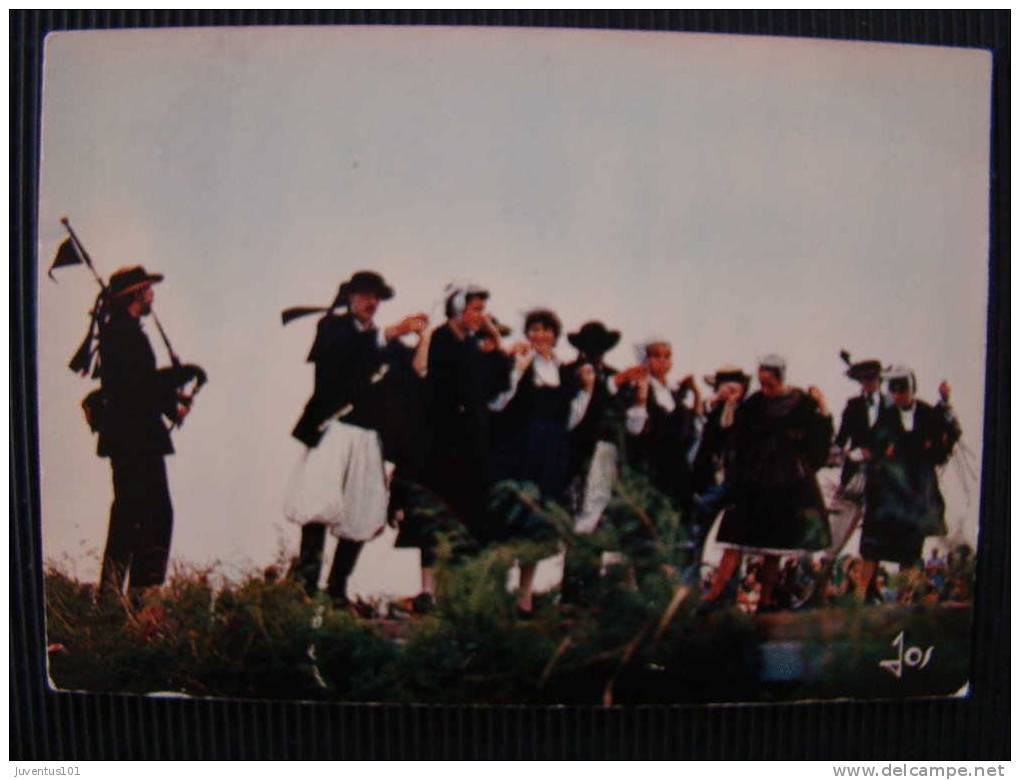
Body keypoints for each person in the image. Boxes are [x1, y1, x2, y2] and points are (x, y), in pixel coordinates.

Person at [288, 270, 427, 606]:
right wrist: (393, 332)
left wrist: (424, 335)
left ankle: (336, 591)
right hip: (334, 431)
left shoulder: (384, 342)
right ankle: (305, 587)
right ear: (350, 298)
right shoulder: (332, 328)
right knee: (318, 507)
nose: (371, 302)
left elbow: (417, 371)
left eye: (376, 296)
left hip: (368, 437)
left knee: (362, 511)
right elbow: (344, 359)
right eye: (365, 294)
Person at [394, 283, 501, 607]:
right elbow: (420, 372)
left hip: (468, 443)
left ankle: (455, 591)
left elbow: (495, 380)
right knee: (432, 516)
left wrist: (493, 334)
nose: (481, 316)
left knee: (465, 514)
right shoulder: (440, 338)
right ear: (459, 309)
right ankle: (428, 591)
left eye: (482, 310)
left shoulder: (472, 345)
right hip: (438, 439)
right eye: (475, 309)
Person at [703, 354, 834, 610]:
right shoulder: (755, 403)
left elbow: (820, 436)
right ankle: (714, 596)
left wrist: (823, 407)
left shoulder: (801, 403)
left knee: (774, 546)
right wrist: (729, 406)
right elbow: (733, 431)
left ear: (780, 379)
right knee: (735, 538)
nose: (764, 390)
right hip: (754, 481)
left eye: (769, 384)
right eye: (761, 384)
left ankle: (766, 599)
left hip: (787, 483)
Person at [96, 265, 190, 598]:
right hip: (134, 439)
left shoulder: (123, 331)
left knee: (133, 512)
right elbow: (137, 388)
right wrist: (174, 383)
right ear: (135, 294)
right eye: (148, 289)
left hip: (134, 436)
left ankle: (119, 595)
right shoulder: (122, 334)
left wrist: (171, 402)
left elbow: (141, 387)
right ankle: (138, 595)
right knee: (149, 513)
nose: (152, 295)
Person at [488, 308, 576, 615]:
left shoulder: (564, 371)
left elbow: (573, 416)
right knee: (513, 518)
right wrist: (517, 370)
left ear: (555, 334)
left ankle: (525, 596)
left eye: (546, 330)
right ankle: (496, 590)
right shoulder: (517, 362)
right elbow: (498, 403)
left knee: (539, 523)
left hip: (551, 452)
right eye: (534, 330)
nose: (540, 335)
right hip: (521, 448)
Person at [854, 368, 960, 603]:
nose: (898, 395)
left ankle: (905, 598)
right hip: (888, 492)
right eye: (894, 390)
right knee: (872, 544)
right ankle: (860, 598)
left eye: (903, 389)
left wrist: (945, 401)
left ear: (912, 389)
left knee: (911, 548)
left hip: (917, 492)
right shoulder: (887, 416)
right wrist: (882, 453)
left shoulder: (927, 413)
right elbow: (873, 444)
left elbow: (949, 436)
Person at [834, 354, 888, 493]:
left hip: (884, 473)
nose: (869, 382)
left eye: (872, 378)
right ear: (860, 381)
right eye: (865, 378)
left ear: (879, 379)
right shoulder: (852, 405)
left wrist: (874, 454)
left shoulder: (890, 406)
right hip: (853, 473)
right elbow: (841, 438)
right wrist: (846, 453)